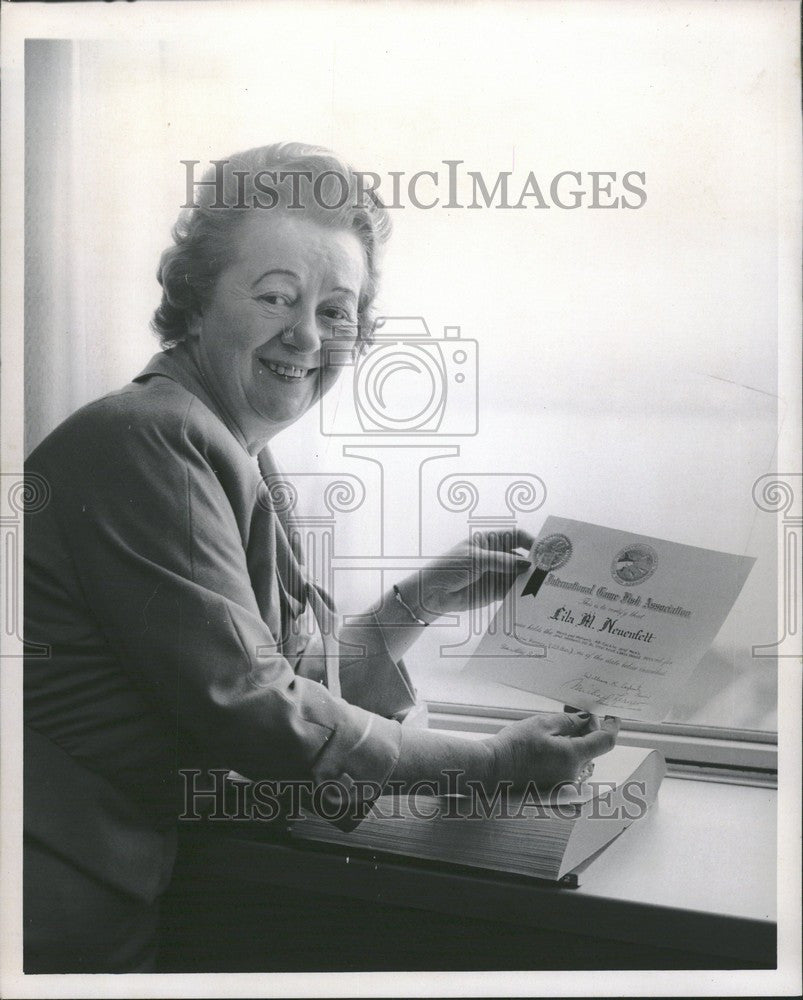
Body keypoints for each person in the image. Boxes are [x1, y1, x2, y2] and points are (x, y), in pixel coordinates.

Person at [23, 142, 619, 973]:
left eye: (337, 312)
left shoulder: (224, 446)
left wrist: (424, 597)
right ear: (195, 302)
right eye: (275, 297)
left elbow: (292, 674)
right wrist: (493, 762)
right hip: (45, 902)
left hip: (103, 883)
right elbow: (253, 705)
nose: (305, 334)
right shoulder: (149, 438)